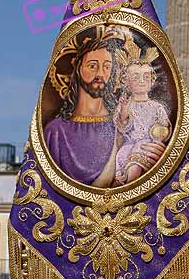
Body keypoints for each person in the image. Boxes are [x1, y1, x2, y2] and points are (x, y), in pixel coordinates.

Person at [44, 27, 165, 188]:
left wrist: (158, 158)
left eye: (107, 67)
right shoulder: (55, 132)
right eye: (92, 66)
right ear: (77, 70)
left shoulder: (122, 125)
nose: (100, 73)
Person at [113, 49, 171, 185]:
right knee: (133, 170)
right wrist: (124, 112)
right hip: (129, 149)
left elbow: (164, 129)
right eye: (135, 77)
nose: (142, 81)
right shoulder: (125, 105)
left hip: (150, 148)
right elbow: (121, 128)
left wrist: (161, 133)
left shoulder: (157, 107)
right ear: (126, 82)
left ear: (152, 81)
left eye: (146, 77)